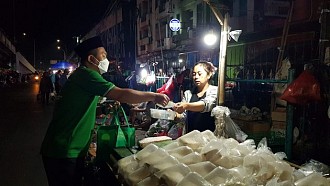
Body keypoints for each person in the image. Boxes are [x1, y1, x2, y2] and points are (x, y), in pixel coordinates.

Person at [40, 36, 169, 186]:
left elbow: (77, 106)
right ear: (91, 59)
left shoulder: (81, 75)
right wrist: (153, 96)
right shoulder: (87, 75)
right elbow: (121, 94)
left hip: (68, 148)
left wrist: (102, 108)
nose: (106, 59)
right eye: (103, 55)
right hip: (64, 150)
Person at [173, 61, 218, 133]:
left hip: (209, 138)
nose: (196, 77)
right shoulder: (188, 94)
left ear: (209, 75)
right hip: (190, 136)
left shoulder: (214, 91)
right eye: (194, 74)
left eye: (199, 74)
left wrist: (186, 106)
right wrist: (175, 115)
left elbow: (206, 105)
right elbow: (183, 116)